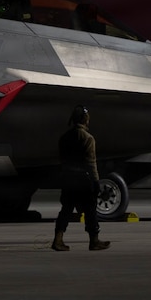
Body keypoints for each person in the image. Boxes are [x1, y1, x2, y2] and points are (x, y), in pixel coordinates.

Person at [52, 105, 110, 251]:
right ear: (85, 119)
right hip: (84, 180)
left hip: (68, 178)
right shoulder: (88, 138)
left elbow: (62, 160)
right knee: (90, 210)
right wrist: (96, 182)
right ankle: (94, 241)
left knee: (66, 209)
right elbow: (91, 163)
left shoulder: (64, 138)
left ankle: (58, 239)